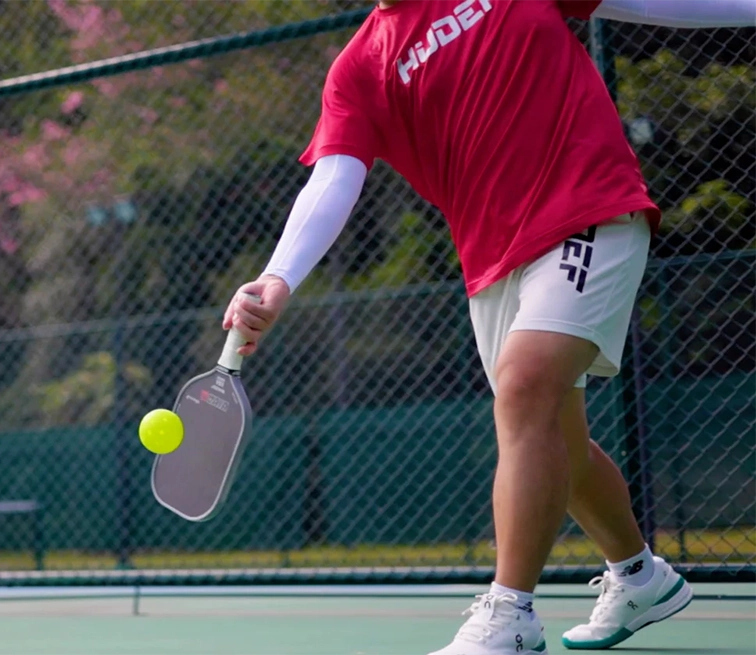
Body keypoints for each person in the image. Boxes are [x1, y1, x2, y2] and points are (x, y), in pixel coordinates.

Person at [222, 1, 756, 653]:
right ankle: (641, 575)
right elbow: (336, 175)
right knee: (556, 436)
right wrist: (278, 276)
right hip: (493, 262)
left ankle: (510, 615)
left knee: (526, 387)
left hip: (590, 209)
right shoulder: (360, 66)